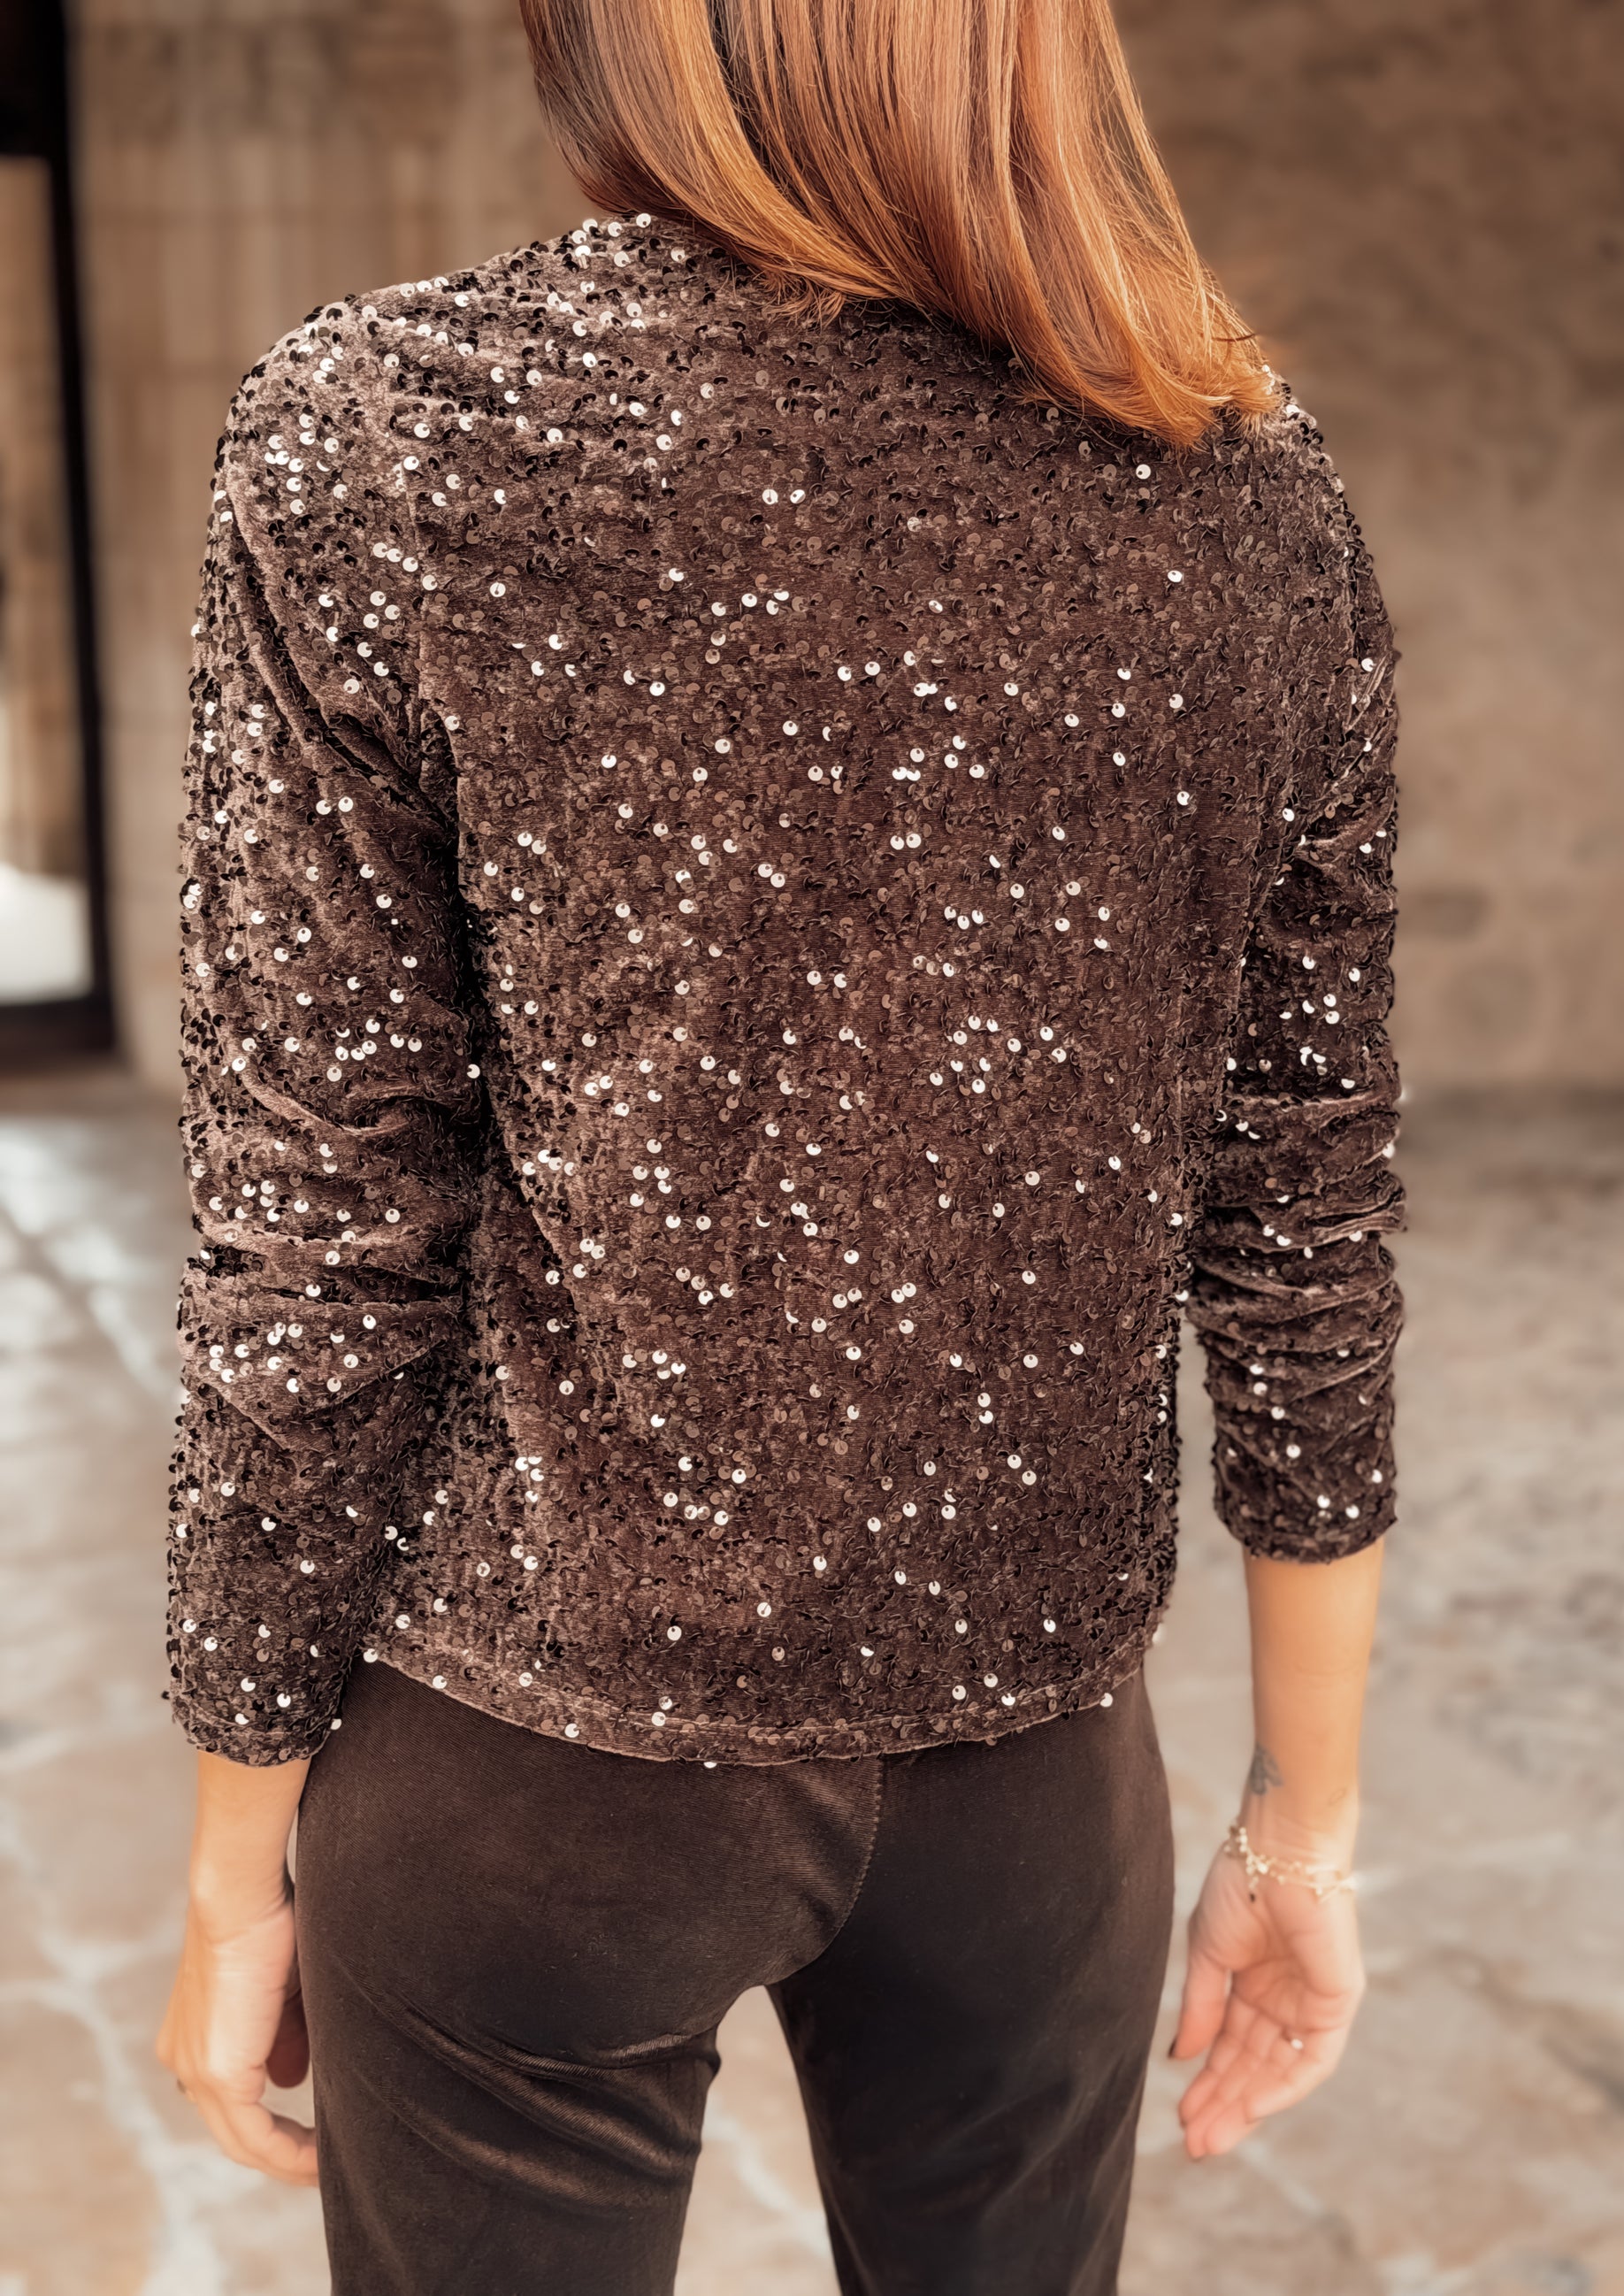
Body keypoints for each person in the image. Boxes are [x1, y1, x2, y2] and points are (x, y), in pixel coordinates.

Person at [156, 3, 1403, 2288]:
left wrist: (241, 1846)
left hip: (523, 1756)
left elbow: (321, 1207)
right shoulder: (1242, 480)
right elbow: (1302, 1195)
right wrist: (1299, 1829)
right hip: (1036, 1774)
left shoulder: (381, 435)